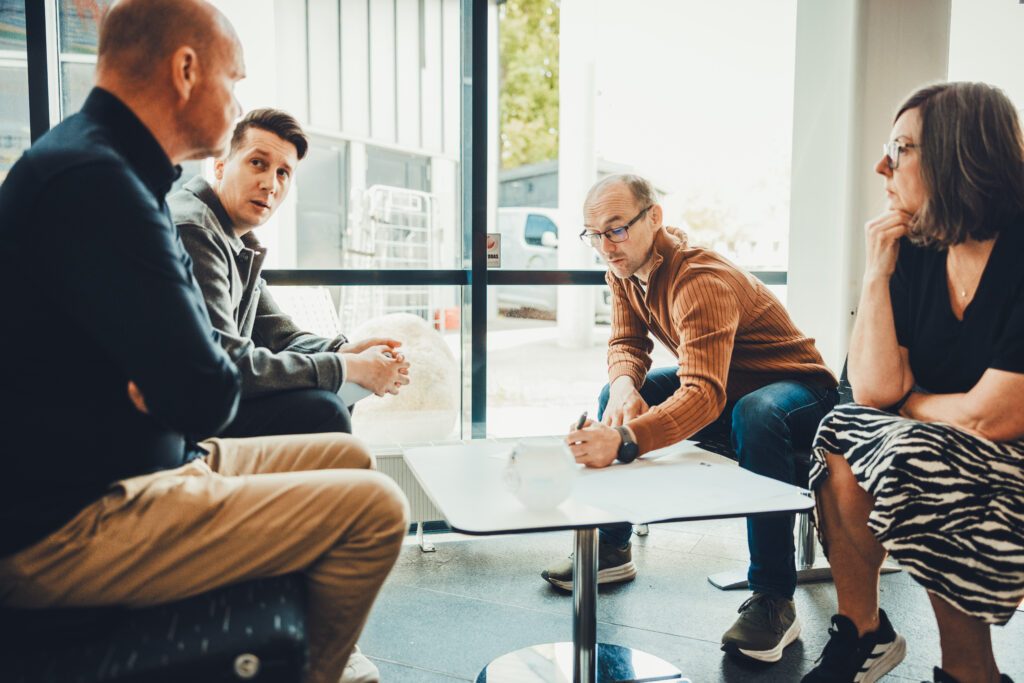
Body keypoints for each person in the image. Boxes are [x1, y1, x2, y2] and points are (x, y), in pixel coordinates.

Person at [0, 2, 407, 682]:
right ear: (186, 70)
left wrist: (158, 377)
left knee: (349, 451)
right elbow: (209, 389)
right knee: (378, 509)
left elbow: (192, 373)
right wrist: (168, 377)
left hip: (143, 462)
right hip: (69, 521)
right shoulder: (101, 184)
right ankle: (315, 673)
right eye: (235, 80)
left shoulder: (100, 166)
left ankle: (295, 631)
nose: (238, 98)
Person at [545, 174, 839, 663]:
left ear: (653, 218)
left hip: (802, 393)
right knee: (613, 390)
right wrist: (623, 387)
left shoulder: (700, 280)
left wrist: (624, 439)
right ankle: (613, 547)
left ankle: (774, 598)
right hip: (730, 391)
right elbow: (625, 344)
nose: (604, 246)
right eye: (593, 233)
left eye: (615, 229)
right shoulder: (622, 271)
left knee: (756, 413)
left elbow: (702, 394)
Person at [802, 82, 1024, 683]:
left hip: (1010, 446)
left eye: (900, 148)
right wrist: (876, 271)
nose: (883, 165)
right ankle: (862, 630)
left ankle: (970, 670)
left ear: (959, 155)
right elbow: (875, 392)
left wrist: (916, 402)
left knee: (912, 452)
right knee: (842, 432)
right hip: (953, 435)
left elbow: (997, 416)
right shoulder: (919, 246)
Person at [169, 108, 410, 439]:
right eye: (258, 163)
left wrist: (344, 351)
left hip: (208, 403)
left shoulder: (238, 241)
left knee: (325, 400)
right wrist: (349, 368)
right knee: (323, 410)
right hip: (180, 417)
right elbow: (230, 365)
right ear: (221, 166)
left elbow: (282, 337)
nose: (270, 183)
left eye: (283, 173)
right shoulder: (194, 230)